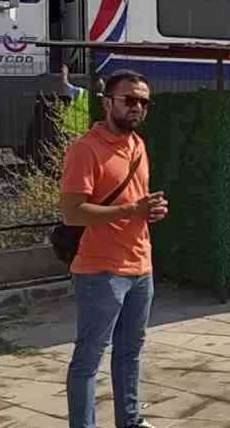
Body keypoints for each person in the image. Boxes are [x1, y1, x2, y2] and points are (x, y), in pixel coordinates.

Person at [61, 70, 168, 428]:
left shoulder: (138, 145)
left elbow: (133, 204)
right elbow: (73, 213)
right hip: (100, 271)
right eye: (129, 99)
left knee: (130, 353)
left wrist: (149, 212)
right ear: (108, 102)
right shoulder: (84, 150)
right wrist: (130, 210)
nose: (137, 107)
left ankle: (131, 420)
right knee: (88, 359)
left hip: (140, 266)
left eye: (143, 101)